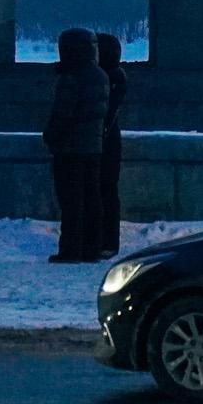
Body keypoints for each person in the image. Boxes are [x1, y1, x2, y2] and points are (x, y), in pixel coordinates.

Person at [41, 26, 107, 263]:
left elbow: (64, 114)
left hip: (70, 149)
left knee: (71, 202)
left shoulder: (72, 78)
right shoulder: (100, 76)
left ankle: (71, 249)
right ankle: (92, 248)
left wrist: (50, 136)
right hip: (93, 147)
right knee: (92, 199)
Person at [93, 30, 127, 260]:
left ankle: (105, 241)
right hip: (108, 141)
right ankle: (106, 241)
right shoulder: (117, 77)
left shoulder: (109, 79)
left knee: (104, 191)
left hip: (103, 143)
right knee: (107, 191)